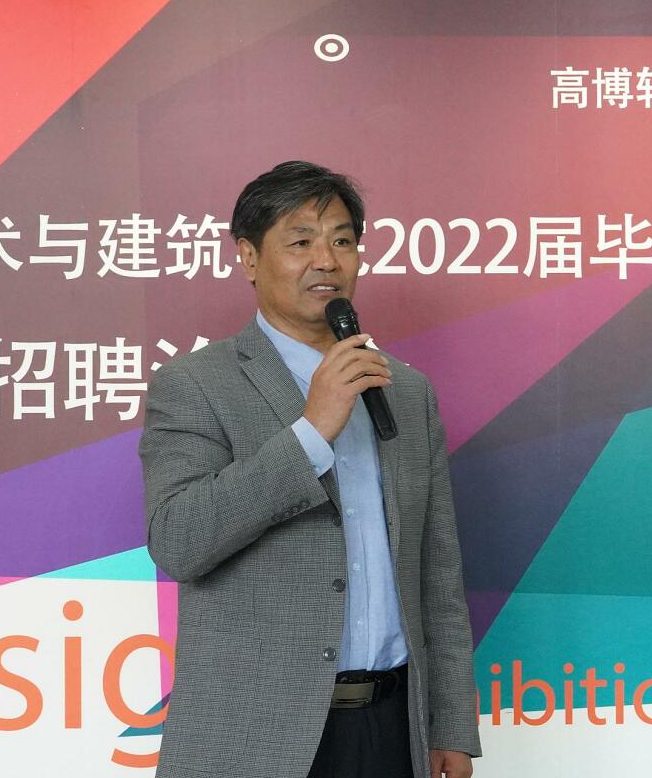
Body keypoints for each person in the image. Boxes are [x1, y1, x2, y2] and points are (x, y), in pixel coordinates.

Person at [139, 160, 481, 778]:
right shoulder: (195, 384)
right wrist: (310, 432)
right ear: (249, 257)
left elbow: (437, 574)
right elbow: (179, 541)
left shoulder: (406, 392)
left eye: (343, 241)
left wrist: (450, 725)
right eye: (300, 242)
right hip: (255, 736)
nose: (327, 260)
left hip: (393, 727)